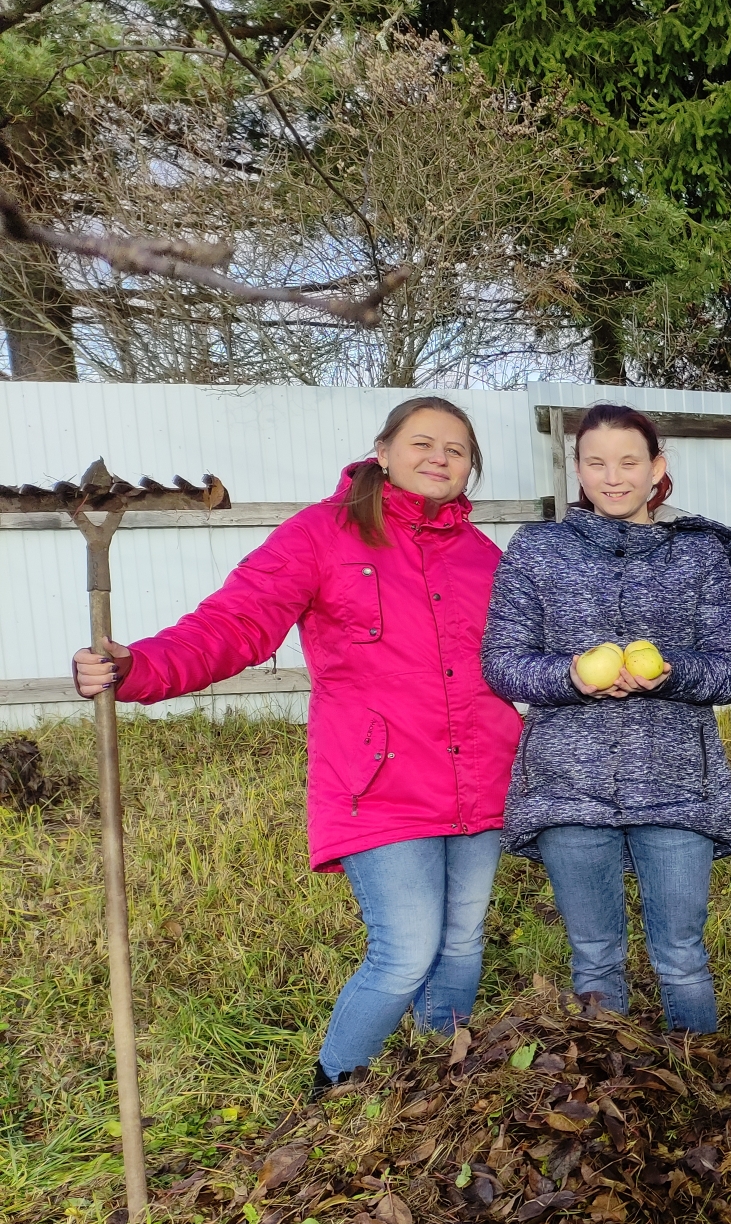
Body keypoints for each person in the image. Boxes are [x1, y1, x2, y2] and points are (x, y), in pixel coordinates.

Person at [71, 397, 521, 1090]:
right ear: (383, 451)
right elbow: (235, 624)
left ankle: (444, 1074)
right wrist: (142, 668)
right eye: (423, 443)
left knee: (462, 943)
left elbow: (527, 657)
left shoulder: (482, 556)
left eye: (457, 450)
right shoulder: (322, 535)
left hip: (484, 775)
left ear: (470, 468)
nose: (440, 457)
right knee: (405, 951)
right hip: (381, 782)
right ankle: (336, 1087)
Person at [482, 406, 731, 1032]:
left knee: (682, 957)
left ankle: (699, 1089)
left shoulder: (700, 554)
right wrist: (569, 678)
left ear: (657, 467)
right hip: (566, 787)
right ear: (577, 469)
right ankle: (608, 1090)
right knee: (595, 958)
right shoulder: (537, 550)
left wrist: (675, 672)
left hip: (677, 786)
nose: (613, 477)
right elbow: (501, 664)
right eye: (596, 462)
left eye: (629, 461)